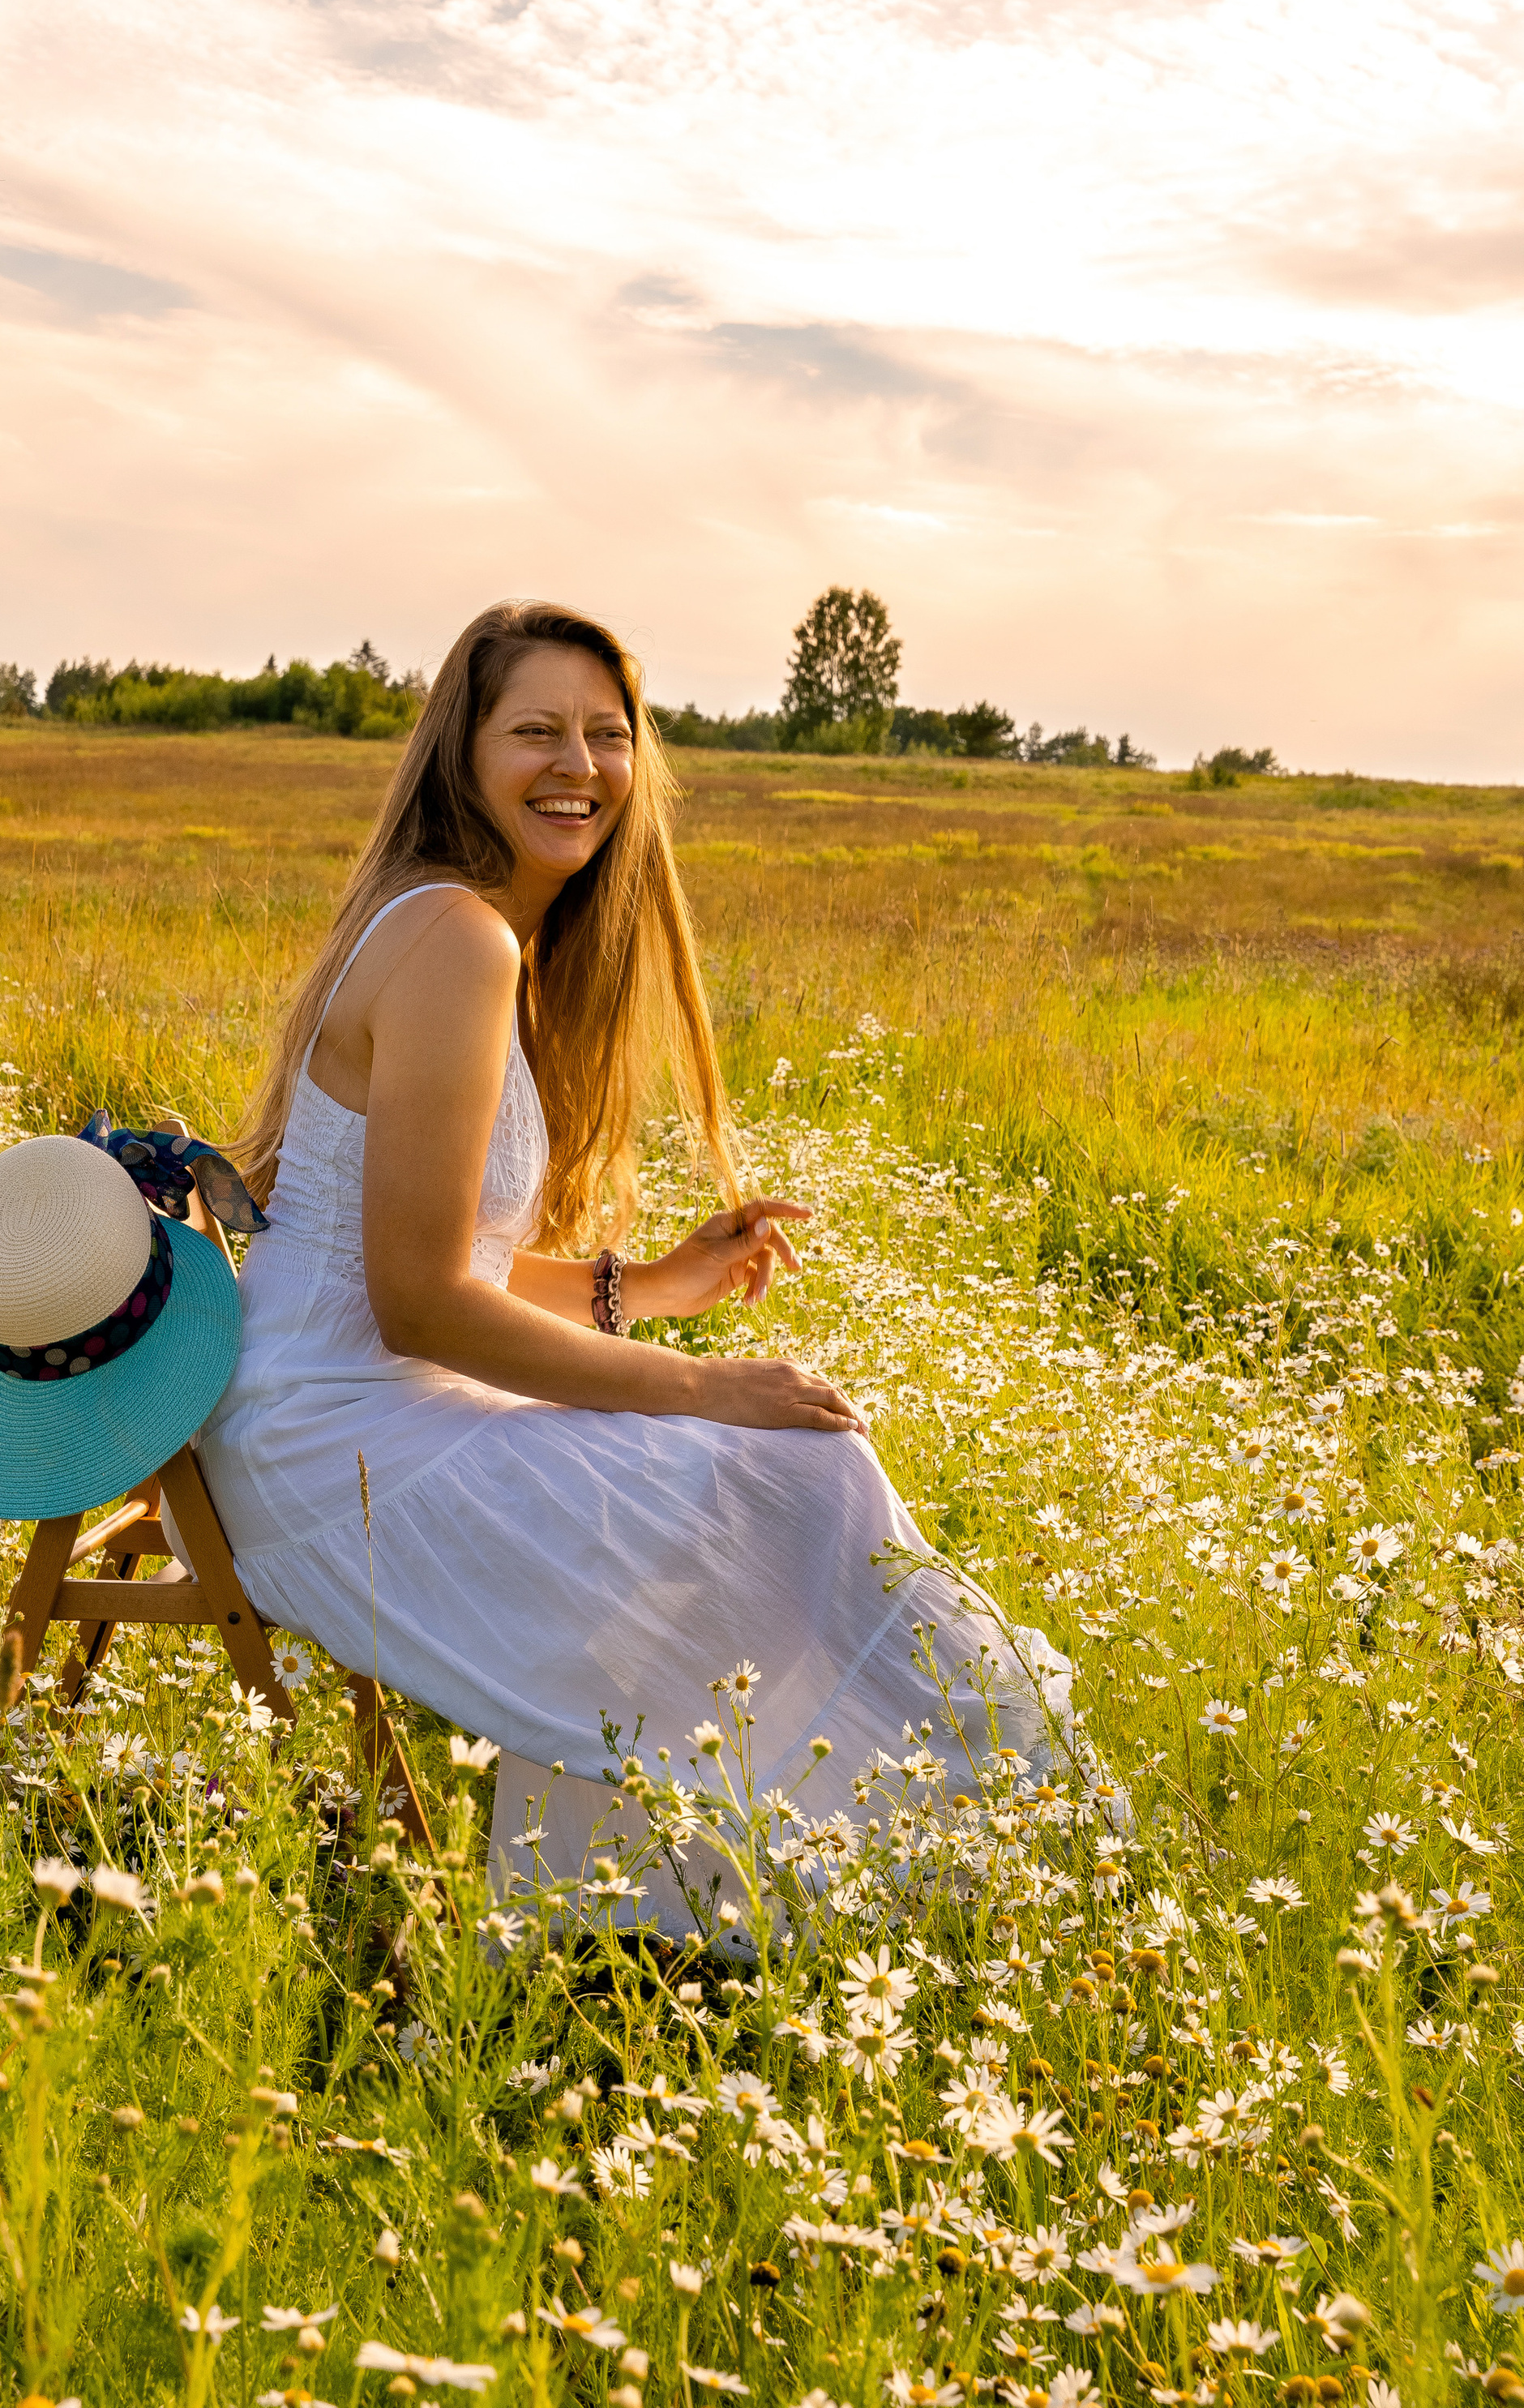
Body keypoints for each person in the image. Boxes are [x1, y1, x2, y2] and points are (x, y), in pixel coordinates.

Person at [197, 599, 1072, 1937]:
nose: (580, 766)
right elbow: (420, 1301)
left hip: (363, 1401)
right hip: (329, 1440)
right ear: (462, 754)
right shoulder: (457, 942)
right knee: (769, 1474)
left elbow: (443, 1261)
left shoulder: (468, 930)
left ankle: (670, 1905)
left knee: (782, 1471)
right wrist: (695, 1385)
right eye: (535, 731)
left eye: (608, 736)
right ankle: (689, 1913)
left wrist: (654, 1283)